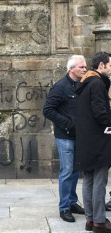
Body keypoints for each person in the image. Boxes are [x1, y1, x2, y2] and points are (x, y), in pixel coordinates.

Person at [43, 55, 87, 222]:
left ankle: (72, 202)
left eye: (85, 67)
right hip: (65, 137)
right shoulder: (60, 87)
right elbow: (47, 110)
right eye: (81, 67)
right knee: (67, 171)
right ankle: (64, 208)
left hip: (79, 136)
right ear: (71, 69)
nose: (84, 69)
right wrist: (67, 124)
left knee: (75, 171)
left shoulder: (81, 85)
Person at [75, 51, 111, 232]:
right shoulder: (96, 83)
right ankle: (99, 220)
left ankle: (90, 219)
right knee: (99, 180)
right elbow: (101, 114)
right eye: (110, 65)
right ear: (101, 65)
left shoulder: (85, 83)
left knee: (89, 179)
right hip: (98, 140)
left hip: (87, 140)